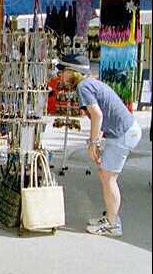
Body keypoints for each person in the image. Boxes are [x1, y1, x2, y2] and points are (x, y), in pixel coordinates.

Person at [58, 53, 142, 237]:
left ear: (73, 72)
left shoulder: (83, 86)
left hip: (123, 133)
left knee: (108, 177)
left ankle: (113, 224)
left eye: (63, 71)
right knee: (106, 175)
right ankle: (111, 218)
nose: (61, 75)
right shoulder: (89, 83)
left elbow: (97, 115)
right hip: (123, 131)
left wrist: (93, 143)